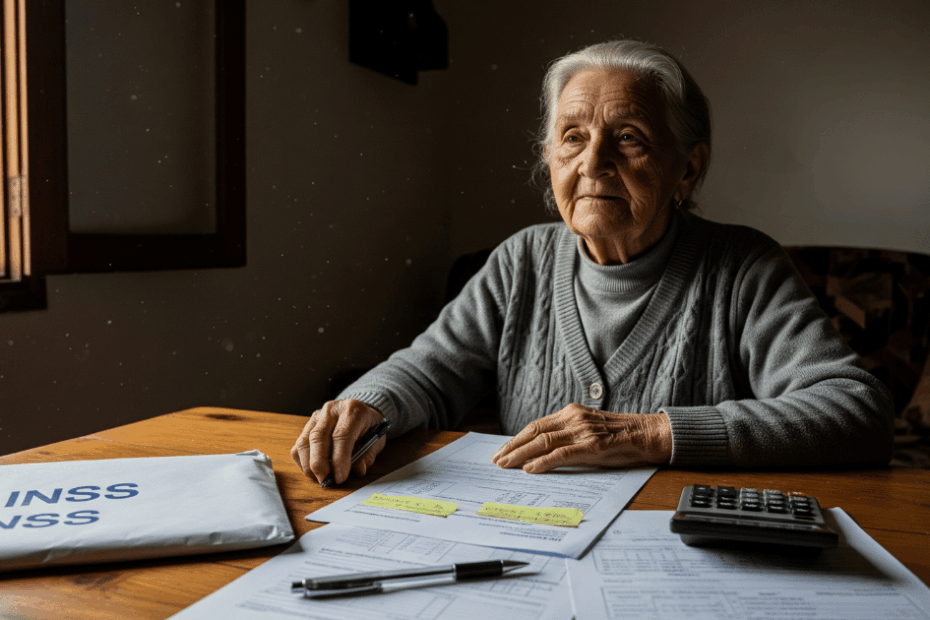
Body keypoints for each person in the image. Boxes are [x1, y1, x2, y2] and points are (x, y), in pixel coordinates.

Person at [291, 40, 894, 486]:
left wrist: (649, 433)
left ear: (687, 168)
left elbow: (854, 412)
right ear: (550, 158)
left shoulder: (742, 268)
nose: (594, 163)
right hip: (529, 534)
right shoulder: (520, 260)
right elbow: (428, 372)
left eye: (629, 136)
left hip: (679, 545)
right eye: (572, 137)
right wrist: (366, 404)